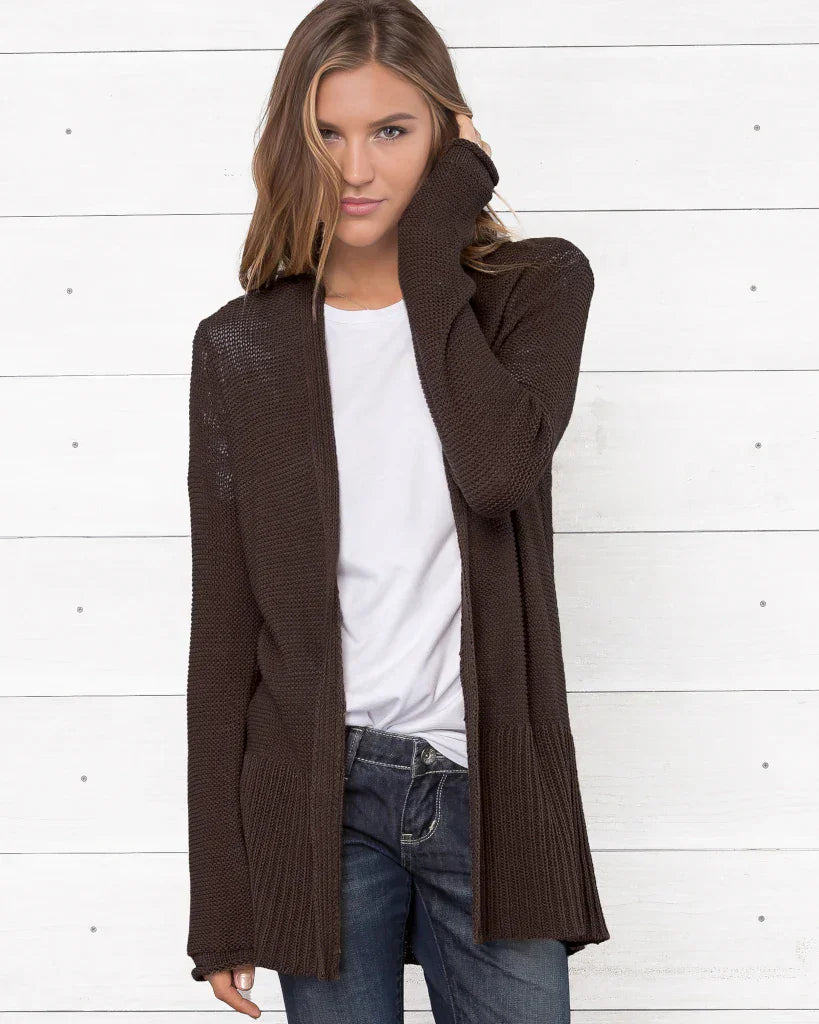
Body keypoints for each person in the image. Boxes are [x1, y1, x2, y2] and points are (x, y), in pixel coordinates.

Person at [184, 0, 609, 1020]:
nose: (356, 168)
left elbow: (497, 471)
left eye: (391, 130)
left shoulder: (535, 290)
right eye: (327, 133)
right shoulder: (240, 347)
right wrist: (223, 902)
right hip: (316, 801)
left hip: (485, 789)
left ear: (448, 135)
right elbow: (225, 633)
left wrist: (435, 240)